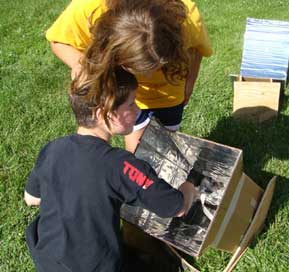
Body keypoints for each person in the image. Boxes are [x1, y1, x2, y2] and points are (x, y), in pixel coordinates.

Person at [24, 67, 196, 272]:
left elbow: (32, 198)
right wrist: (189, 186)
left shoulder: (53, 148)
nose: (138, 111)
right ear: (103, 114)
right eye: (131, 104)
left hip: (46, 258)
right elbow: (175, 207)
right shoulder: (120, 165)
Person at [45, 0, 213, 153]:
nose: (147, 75)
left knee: (164, 148)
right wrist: (83, 67)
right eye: (135, 68)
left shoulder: (186, 17)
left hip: (169, 91)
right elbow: (58, 41)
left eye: (156, 66)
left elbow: (196, 51)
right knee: (140, 154)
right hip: (127, 94)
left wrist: (188, 85)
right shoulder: (90, 7)